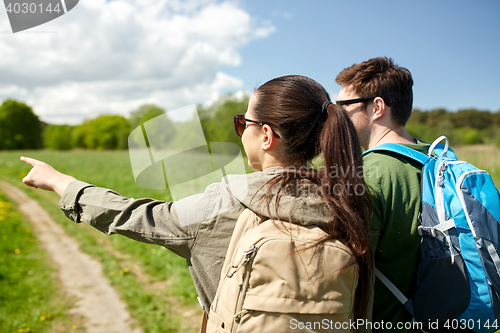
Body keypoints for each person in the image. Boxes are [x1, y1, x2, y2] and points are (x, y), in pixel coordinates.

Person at [22, 75, 373, 330]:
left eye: (242, 123)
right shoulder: (349, 203)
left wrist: (61, 183)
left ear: (265, 135)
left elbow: (138, 216)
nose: (241, 130)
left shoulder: (226, 202)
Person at [335, 57, 429, 332]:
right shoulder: (437, 158)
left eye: (344, 107)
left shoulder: (364, 173)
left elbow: (343, 275)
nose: (338, 117)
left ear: (376, 107)